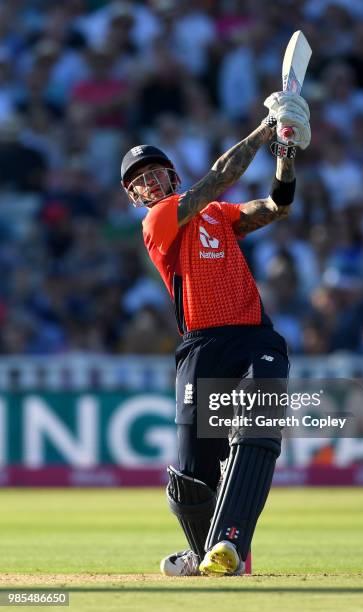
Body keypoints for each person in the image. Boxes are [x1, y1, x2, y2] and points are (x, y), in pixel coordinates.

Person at [120, 91, 310, 576]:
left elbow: (276, 206)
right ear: (135, 197)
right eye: (139, 182)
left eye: (155, 173)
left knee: (257, 427)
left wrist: (286, 156)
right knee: (187, 479)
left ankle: (230, 547)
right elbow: (220, 178)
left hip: (253, 338)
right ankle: (205, 552)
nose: (149, 183)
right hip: (202, 347)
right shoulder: (159, 221)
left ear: (171, 175)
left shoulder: (217, 216)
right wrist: (267, 128)